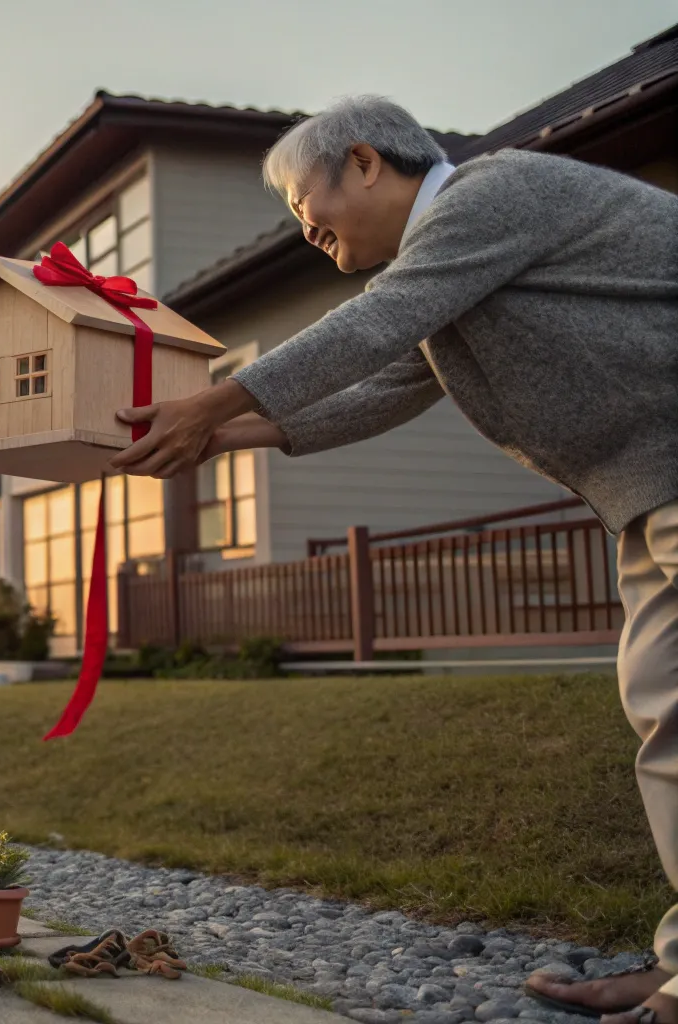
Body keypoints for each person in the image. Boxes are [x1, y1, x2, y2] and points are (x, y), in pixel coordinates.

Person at [108, 96, 678, 1024]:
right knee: (664, 707)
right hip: (646, 493)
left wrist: (207, 405)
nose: (306, 234)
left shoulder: (489, 195)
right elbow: (389, 383)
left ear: (366, 161)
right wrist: (225, 438)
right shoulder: (449, 270)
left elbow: (374, 327)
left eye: (306, 206)